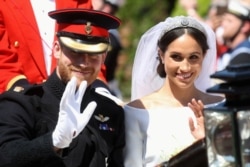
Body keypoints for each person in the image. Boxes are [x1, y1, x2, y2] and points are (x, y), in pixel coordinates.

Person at [0, 8, 125, 167]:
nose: (84, 63)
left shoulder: (110, 111)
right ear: (57, 49)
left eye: (93, 55)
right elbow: (5, 157)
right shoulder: (21, 104)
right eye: (75, 52)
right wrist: (53, 142)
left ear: (104, 57)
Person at [124, 16, 224, 166]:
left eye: (193, 57)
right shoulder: (137, 111)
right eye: (176, 57)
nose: (185, 67)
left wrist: (208, 142)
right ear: (161, 55)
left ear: (204, 56)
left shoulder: (219, 108)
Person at [0, 0, 108, 93]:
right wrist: (25, 95)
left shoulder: (80, 2)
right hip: (16, 102)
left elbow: (91, 49)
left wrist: (100, 90)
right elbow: (3, 61)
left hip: (69, 101)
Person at [93, 0, 125, 99]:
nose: (108, 9)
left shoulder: (113, 37)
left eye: (113, 8)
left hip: (105, 87)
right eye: (105, 4)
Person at [216, 0, 250, 71]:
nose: (223, 24)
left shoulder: (243, 56)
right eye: (224, 20)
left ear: (245, 26)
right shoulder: (231, 52)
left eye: (229, 20)